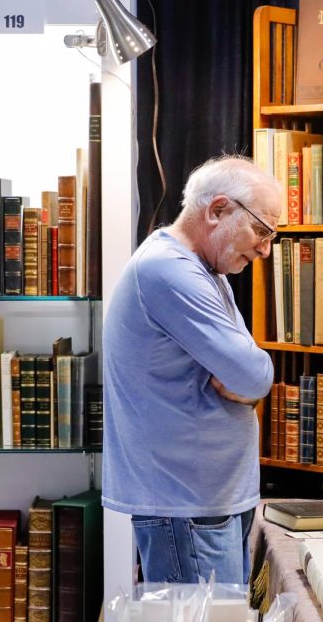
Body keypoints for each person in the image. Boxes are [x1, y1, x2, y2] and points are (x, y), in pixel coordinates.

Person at [102, 155, 281, 584]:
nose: (265, 249)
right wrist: (252, 379)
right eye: (261, 230)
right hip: (187, 505)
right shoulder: (168, 269)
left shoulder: (206, 269)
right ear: (218, 210)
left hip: (206, 501)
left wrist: (250, 377)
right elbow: (254, 374)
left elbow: (247, 370)